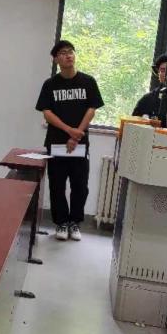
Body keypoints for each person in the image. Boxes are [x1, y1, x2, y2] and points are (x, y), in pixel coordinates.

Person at [35, 39, 104, 242]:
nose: (68, 55)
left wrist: (77, 133)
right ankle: (61, 223)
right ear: (56, 59)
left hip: (80, 144)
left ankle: (74, 222)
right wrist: (69, 131)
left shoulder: (88, 81)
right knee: (57, 185)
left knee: (80, 186)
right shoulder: (50, 85)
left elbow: (92, 109)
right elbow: (47, 113)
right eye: (63, 53)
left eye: (71, 51)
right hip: (56, 143)